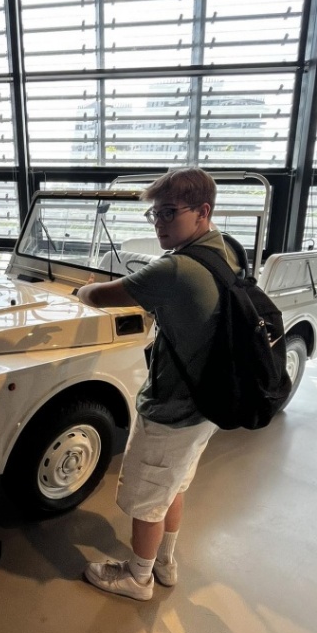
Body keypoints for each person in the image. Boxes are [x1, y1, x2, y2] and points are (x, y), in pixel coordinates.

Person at [77, 167, 244, 600]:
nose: (159, 224)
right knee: (173, 485)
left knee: (148, 497)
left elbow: (99, 296)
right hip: (208, 402)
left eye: (170, 213)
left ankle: (138, 577)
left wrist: (82, 290)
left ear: (202, 211)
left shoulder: (174, 269)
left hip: (173, 407)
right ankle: (165, 561)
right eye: (154, 214)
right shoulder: (226, 249)